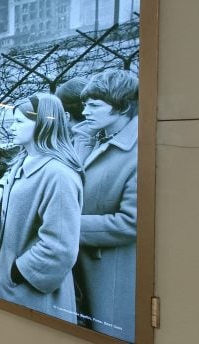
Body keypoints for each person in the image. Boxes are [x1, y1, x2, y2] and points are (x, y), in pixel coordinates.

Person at [0, 94, 83, 323]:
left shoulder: (58, 175)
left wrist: (18, 272)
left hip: (35, 296)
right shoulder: (26, 158)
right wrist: (1, 188)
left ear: (42, 124)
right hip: (15, 290)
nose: (11, 128)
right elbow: (13, 175)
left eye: (19, 122)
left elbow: (60, 248)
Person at [74, 69, 138, 342]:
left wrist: (65, 226)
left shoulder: (138, 153)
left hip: (109, 271)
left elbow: (131, 222)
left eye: (95, 105)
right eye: (85, 103)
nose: (85, 110)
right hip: (79, 263)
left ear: (122, 106)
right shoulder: (90, 135)